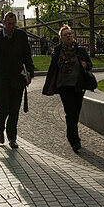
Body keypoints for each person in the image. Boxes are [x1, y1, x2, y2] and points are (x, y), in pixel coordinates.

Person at [0, 11, 35, 149]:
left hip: (17, 80)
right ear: (3, 23)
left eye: (13, 24)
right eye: (9, 24)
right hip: (1, 81)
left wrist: (30, 72)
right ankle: (0, 128)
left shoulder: (21, 37)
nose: (11, 27)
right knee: (3, 107)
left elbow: (27, 55)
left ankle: (12, 138)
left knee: (14, 110)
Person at [42, 23, 93, 153]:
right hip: (64, 86)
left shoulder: (80, 50)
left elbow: (90, 65)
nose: (68, 36)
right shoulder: (58, 51)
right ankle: (74, 140)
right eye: (65, 35)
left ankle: (71, 134)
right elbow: (53, 68)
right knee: (70, 112)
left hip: (78, 85)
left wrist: (85, 64)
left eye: (69, 34)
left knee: (76, 112)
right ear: (61, 38)